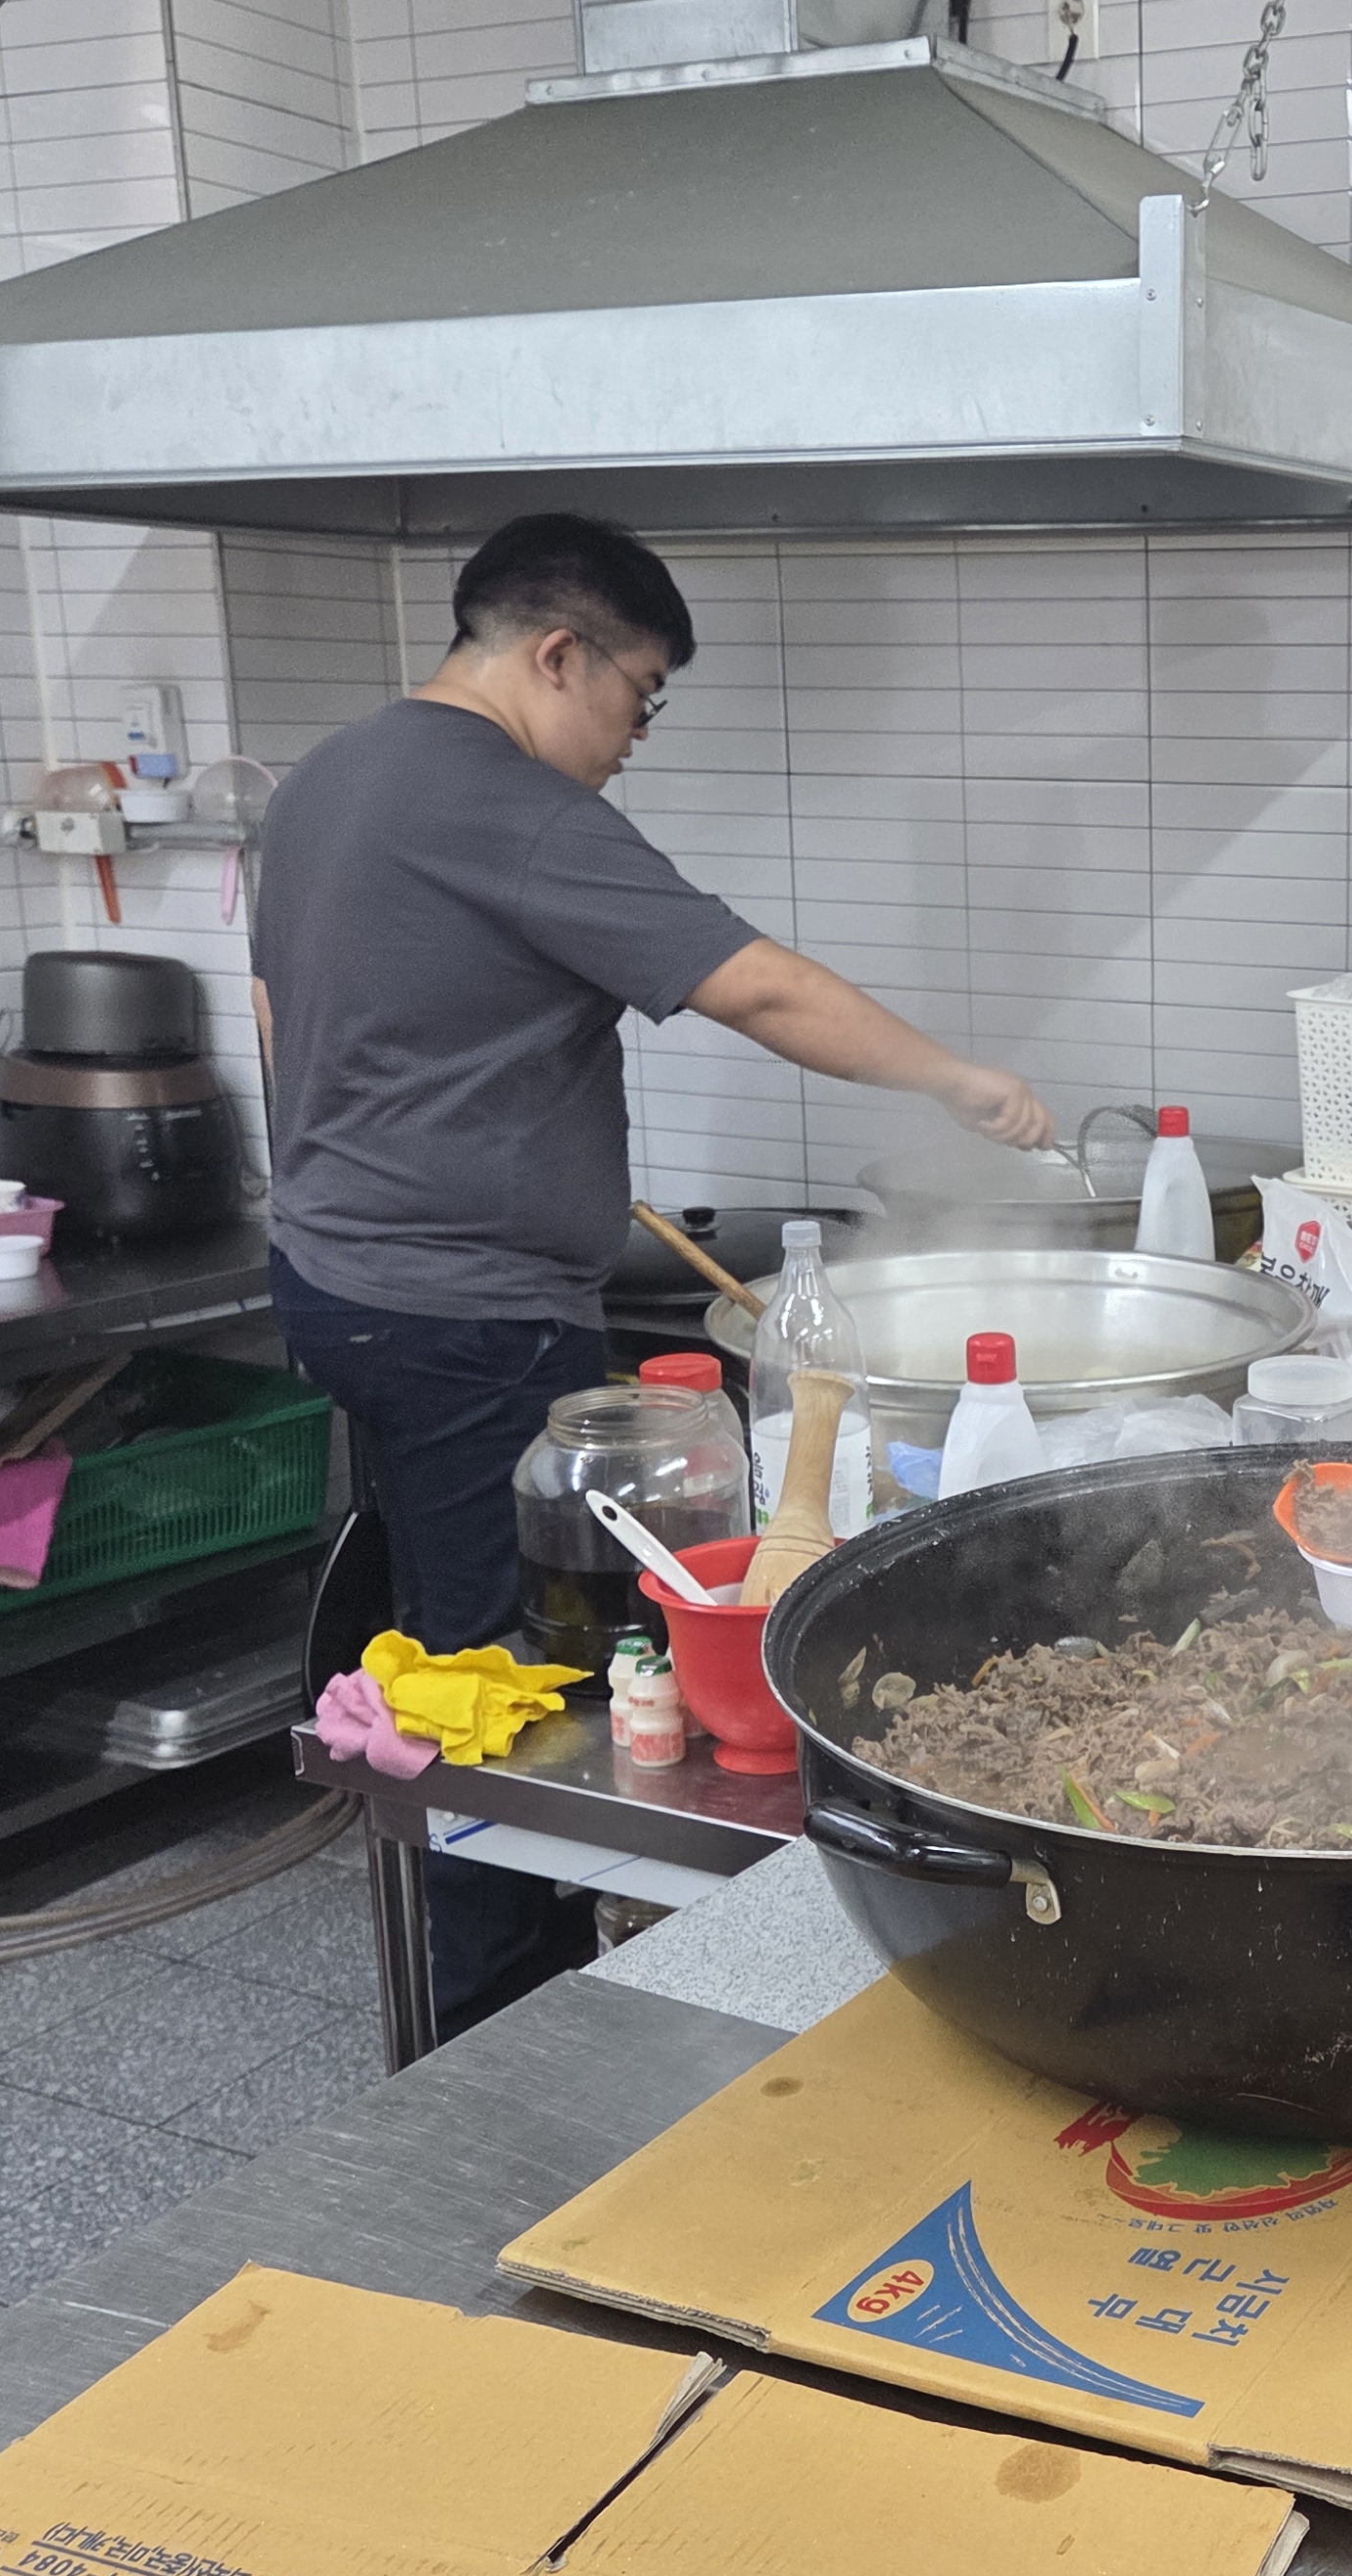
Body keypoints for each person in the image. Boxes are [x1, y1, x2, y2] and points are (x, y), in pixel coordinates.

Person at [250, 512, 1051, 2034]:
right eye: (640, 697)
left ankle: (507, 1977)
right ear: (559, 655)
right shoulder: (511, 804)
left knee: (447, 1637)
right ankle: (504, 2028)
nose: (631, 741)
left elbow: (288, 1019)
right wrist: (958, 1081)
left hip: (335, 1279)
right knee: (512, 1684)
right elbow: (757, 986)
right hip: (468, 1316)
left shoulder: (328, 779)